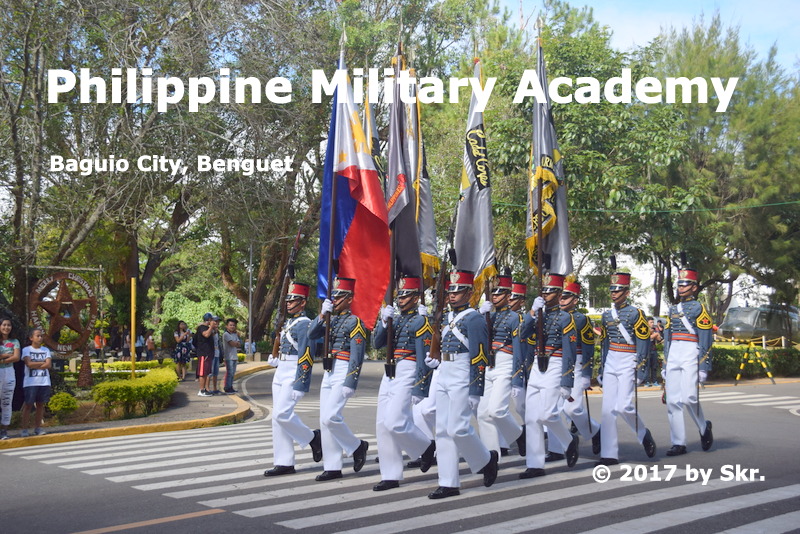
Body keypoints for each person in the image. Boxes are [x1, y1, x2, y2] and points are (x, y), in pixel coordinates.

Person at [425, 269, 498, 500]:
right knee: (443, 430)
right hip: (445, 371)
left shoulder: (474, 318)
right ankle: (448, 482)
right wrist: (434, 361)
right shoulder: (445, 318)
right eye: (450, 292)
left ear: (469, 293)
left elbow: (479, 355)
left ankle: (486, 460)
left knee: (458, 428)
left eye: (458, 291)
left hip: (462, 373)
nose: (452, 296)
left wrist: (476, 389)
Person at [371, 276, 436, 491]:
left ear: (417, 297)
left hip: (408, 369)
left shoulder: (421, 322)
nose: (401, 299)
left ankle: (425, 446)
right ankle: (390, 475)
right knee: (382, 424)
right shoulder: (395, 319)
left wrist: (420, 387)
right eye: (400, 295)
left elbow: (423, 359)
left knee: (395, 421)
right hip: (389, 370)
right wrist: (382, 321)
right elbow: (377, 343)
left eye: (406, 295)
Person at [303, 277, 369, 481]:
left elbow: (357, 356)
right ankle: (332, 466)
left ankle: (357, 446)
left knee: (330, 417)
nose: (336, 299)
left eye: (340, 296)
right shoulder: (331, 319)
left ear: (350, 299)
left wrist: (351, 381)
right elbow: (311, 334)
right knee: (325, 421)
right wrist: (322, 314)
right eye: (334, 295)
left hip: (342, 369)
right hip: (329, 371)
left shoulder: (354, 322)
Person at [518, 273, 579, 479]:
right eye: (543, 290)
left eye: (550, 290)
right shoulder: (538, 314)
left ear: (559, 293)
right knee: (532, 418)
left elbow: (570, 352)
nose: (546, 293)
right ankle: (535, 464)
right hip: (537, 365)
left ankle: (568, 441)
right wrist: (532, 312)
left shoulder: (565, 318)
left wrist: (567, 381)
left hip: (555, 364)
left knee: (548, 414)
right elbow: (521, 334)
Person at [597, 271, 657, 465]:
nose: (614, 294)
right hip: (612, 359)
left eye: (619, 290)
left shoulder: (635, 313)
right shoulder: (607, 315)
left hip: (628, 359)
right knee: (607, 410)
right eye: (612, 290)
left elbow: (643, 341)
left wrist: (641, 369)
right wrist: (601, 368)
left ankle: (643, 432)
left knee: (624, 406)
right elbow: (605, 343)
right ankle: (609, 454)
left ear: (627, 292)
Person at [264, 282, 323, 476]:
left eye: (294, 300)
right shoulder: (289, 322)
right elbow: (284, 345)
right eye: (288, 300)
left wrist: (302, 380)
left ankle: (312, 438)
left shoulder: (305, 324)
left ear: (303, 302)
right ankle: (284, 461)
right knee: (276, 419)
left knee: (282, 414)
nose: (289, 303)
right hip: (281, 369)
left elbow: (307, 354)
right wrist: (276, 358)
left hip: (293, 372)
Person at [662, 267, 714, 456]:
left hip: (691, 351)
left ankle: (703, 425)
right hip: (675, 351)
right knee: (673, 400)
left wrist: (703, 366)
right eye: (680, 284)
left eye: (686, 285)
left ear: (694, 287)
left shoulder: (699, 308)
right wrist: (665, 363)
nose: (681, 288)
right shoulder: (673, 309)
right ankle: (678, 442)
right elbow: (667, 338)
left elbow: (706, 338)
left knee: (689, 397)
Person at [477, 273, 525, 459]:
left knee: (497, 410)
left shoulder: (515, 318)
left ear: (507, 296)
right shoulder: (487, 316)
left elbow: (519, 350)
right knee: (483, 414)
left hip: (505, 364)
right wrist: (480, 315)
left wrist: (517, 378)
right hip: (488, 366)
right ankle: (491, 455)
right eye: (493, 294)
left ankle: (519, 435)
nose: (494, 297)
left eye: (498, 294)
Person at [558, 279, 601, 456]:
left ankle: (597, 431)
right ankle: (560, 447)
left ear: (575, 300)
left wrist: (586, 374)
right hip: (556, 364)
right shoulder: (553, 316)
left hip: (575, 365)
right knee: (552, 411)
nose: (561, 300)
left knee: (572, 408)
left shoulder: (581, 319)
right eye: (560, 296)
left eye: (566, 297)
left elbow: (588, 347)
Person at [20, 328, 52, 437]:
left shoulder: (46, 350)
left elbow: (48, 365)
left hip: (44, 382)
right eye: (37, 336)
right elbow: (28, 364)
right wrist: (42, 362)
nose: (40, 338)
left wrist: (36, 363)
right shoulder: (26, 350)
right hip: (30, 382)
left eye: (41, 336)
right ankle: (24, 429)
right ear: (31, 338)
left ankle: (38, 428)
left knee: (40, 405)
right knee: (28, 405)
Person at [0, 317, 20, 440]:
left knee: (7, 402)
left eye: (9, 325)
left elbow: (17, 357)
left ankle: (4, 430)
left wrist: (1, 359)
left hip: (9, 373)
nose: (6, 327)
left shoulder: (15, 341)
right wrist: (8, 355)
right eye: (4, 325)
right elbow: (12, 355)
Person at [195, 313, 217, 397]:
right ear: (208, 320)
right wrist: (211, 327)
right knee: (202, 372)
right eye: (212, 320)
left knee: (206, 373)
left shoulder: (208, 328)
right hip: (203, 353)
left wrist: (213, 328)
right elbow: (206, 335)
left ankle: (204, 389)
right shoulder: (202, 328)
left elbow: (213, 334)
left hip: (209, 353)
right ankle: (201, 390)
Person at [642, 317, 663, 387]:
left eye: (653, 322)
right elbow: (649, 337)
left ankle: (654, 381)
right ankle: (646, 381)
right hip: (647, 350)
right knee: (647, 367)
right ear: (647, 322)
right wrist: (655, 334)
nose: (652, 324)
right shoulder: (644, 329)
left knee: (654, 367)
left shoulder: (654, 330)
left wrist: (657, 334)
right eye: (651, 322)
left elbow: (659, 339)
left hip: (653, 350)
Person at [222, 318, 241, 394]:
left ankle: (230, 387)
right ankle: (227, 387)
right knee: (229, 373)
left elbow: (239, 344)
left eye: (233, 325)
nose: (232, 326)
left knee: (233, 373)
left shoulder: (235, 334)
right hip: (228, 357)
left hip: (234, 356)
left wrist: (236, 343)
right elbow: (232, 344)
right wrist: (236, 343)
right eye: (230, 325)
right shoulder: (226, 334)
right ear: (227, 326)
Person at [210, 316, 223, 395]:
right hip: (211, 353)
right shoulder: (209, 330)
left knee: (215, 373)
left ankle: (215, 388)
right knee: (209, 373)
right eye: (215, 321)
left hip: (217, 353)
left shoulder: (217, 331)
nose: (217, 323)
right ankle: (207, 388)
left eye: (218, 322)